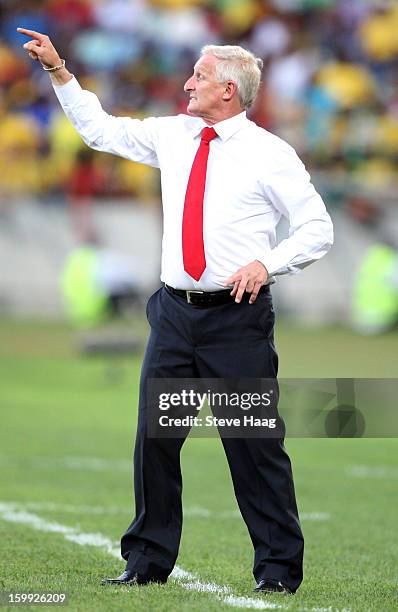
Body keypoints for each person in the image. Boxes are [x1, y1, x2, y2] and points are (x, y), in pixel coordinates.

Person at [19, 27, 333, 595]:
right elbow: (100, 131)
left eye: (200, 76)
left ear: (229, 92)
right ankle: (146, 562)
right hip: (172, 316)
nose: (188, 83)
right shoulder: (174, 134)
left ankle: (279, 571)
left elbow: (317, 229)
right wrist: (59, 71)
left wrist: (269, 264)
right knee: (155, 442)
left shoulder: (270, 153)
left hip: (236, 320)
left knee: (253, 446)